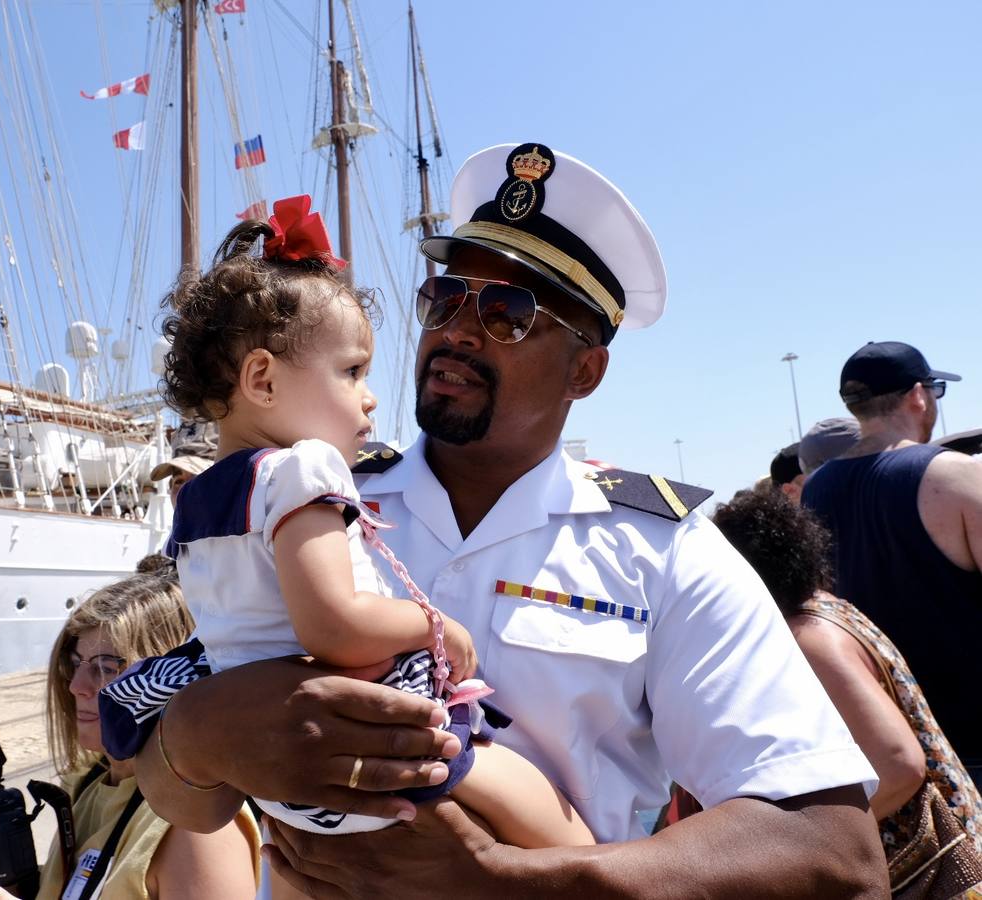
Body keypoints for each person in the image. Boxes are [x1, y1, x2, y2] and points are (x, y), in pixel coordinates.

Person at [128, 142, 886, 898]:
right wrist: (196, 737)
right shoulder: (302, 506)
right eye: (447, 298)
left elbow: (836, 852)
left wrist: (508, 881)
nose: (458, 330)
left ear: (583, 370)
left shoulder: (662, 550)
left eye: (508, 313)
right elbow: (183, 802)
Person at [103, 194, 594, 854]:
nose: (370, 396)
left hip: (284, 786)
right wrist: (438, 630)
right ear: (263, 380)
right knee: (517, 791)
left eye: (508, 316)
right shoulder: (307, 470)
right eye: (352, 371)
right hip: (362, 731)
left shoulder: (197, 504)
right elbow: (335, 627)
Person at [0, 569, 260, 900]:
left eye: (106, 668)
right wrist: (1, 879)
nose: (75, 686)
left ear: (164, 676)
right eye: (76, 663)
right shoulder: (90, 785)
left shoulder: (198, 822)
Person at [714, 490, 982, 851]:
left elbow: (898, 764)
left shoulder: (810, 640)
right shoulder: (824, 607)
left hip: (929, 868)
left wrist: (808, 842)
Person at [802, 341, 982, 783]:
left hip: (885, 744)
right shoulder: (955, 474)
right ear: (919, 395)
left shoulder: (816, 489)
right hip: (973, 741)